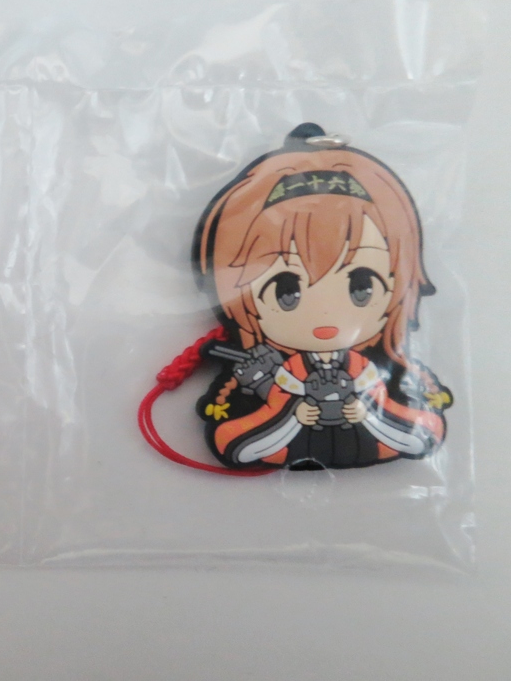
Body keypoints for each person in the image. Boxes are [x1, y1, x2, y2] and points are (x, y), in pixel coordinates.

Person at [192, 124, 452, 470]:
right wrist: (293, 414)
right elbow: (244, 438)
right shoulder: (284, 371)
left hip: (364, 440)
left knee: (423, 428)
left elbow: (415, 430)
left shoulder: (366, 370)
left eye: (361, 287)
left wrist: (365, 412)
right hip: (292, 440)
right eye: (287, 292)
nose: (326, 312)